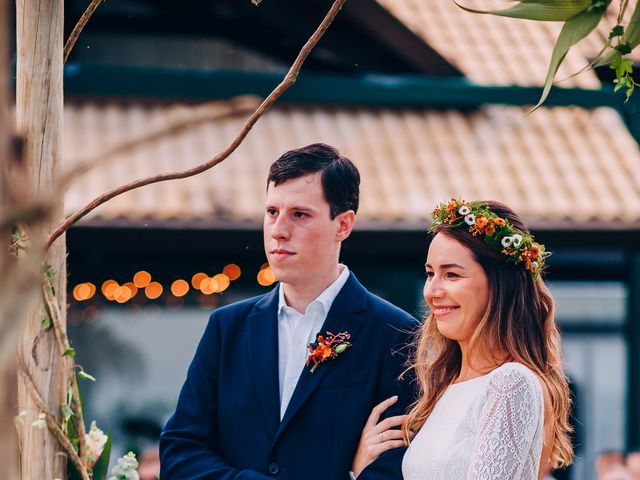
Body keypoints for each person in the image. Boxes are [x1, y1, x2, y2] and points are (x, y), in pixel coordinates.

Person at [159, 143, 418, 479]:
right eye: (271, 212)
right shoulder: (227, 327)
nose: (278, 230)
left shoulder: (396, 334)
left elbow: (396, 467)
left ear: (343, 225)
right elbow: (180, 454)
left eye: (299, 214)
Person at [352, 199, 574, 479]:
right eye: (430, 274)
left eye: (452, 275)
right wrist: (363, 469)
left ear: (498, 284)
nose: (432, 291)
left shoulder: (511, 382)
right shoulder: (447, 385)